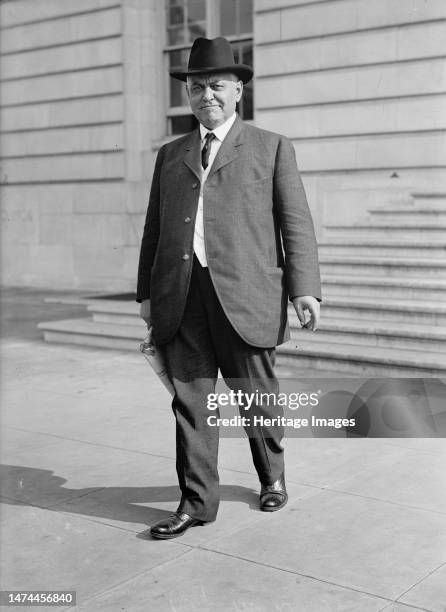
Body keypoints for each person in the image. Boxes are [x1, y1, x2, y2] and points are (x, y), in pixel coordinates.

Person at [136, 37, 321, 539]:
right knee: (191, 403)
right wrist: (145, 294)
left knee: (255, 397)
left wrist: (304, 288)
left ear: (238, 92)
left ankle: (272, 477)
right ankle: (196, 503)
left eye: (217, 86)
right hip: (182, 294)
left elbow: (295, 221)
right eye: (196, 88)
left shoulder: (271, 147)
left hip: (247, 295)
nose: (206, 96)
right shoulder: (171, 154)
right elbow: (155, 228)